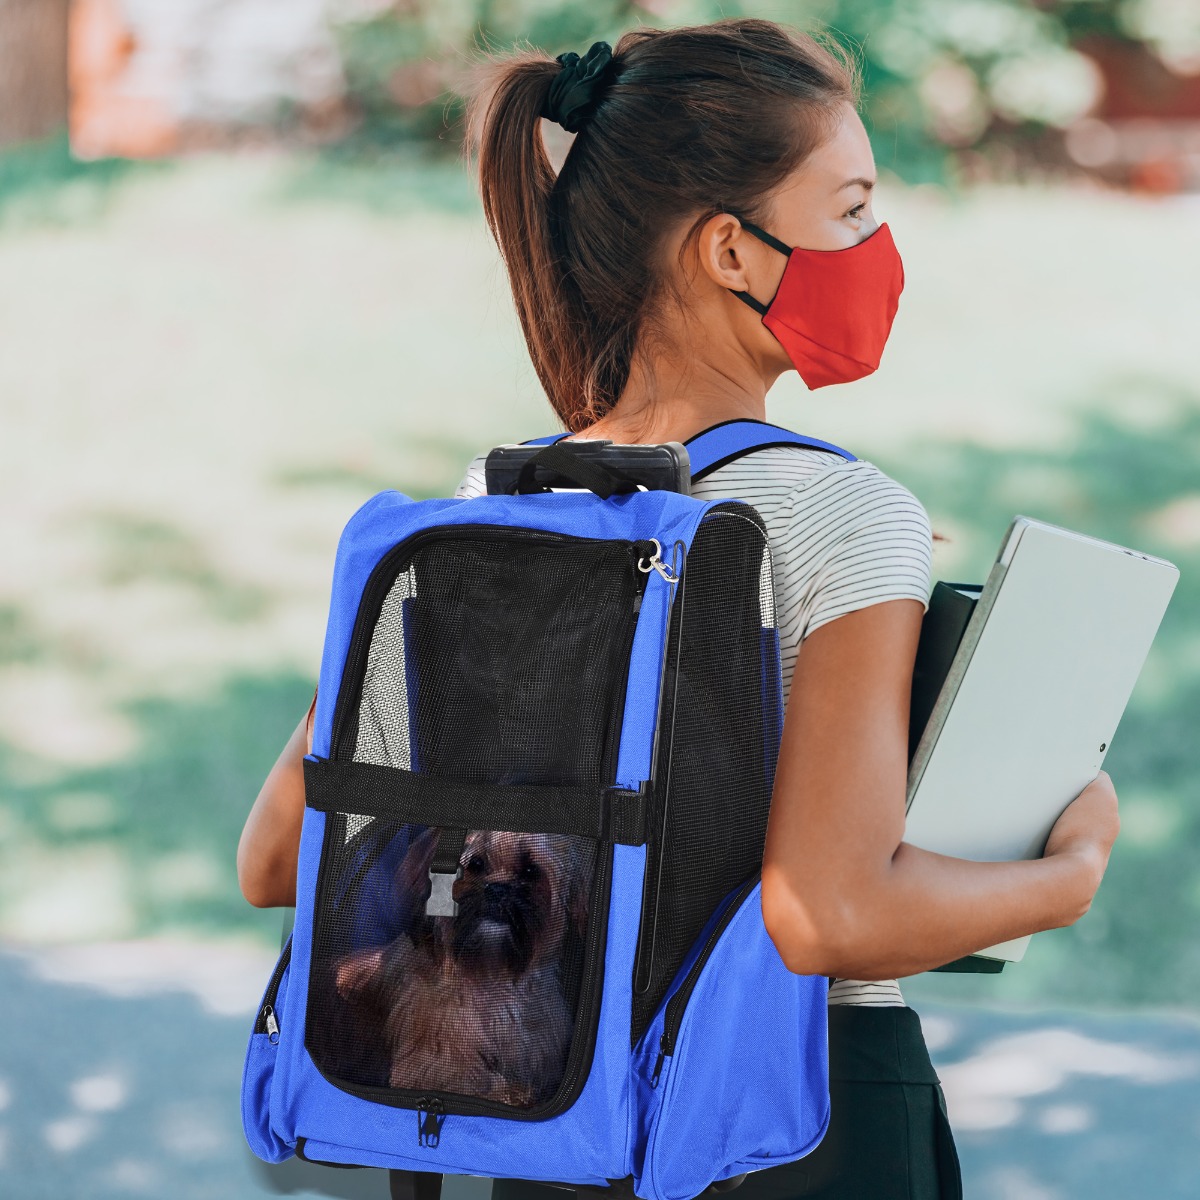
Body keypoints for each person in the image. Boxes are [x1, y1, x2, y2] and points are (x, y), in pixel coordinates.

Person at [238, 16, 1121, 1199]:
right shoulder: (842, 514)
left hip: (557, 1109)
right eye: (852, 207)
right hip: (793, 1115)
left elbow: (278, 856)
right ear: (729, 251)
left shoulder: (480, 509)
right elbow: (830, 916)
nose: (880, 243)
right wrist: (1068, 871)